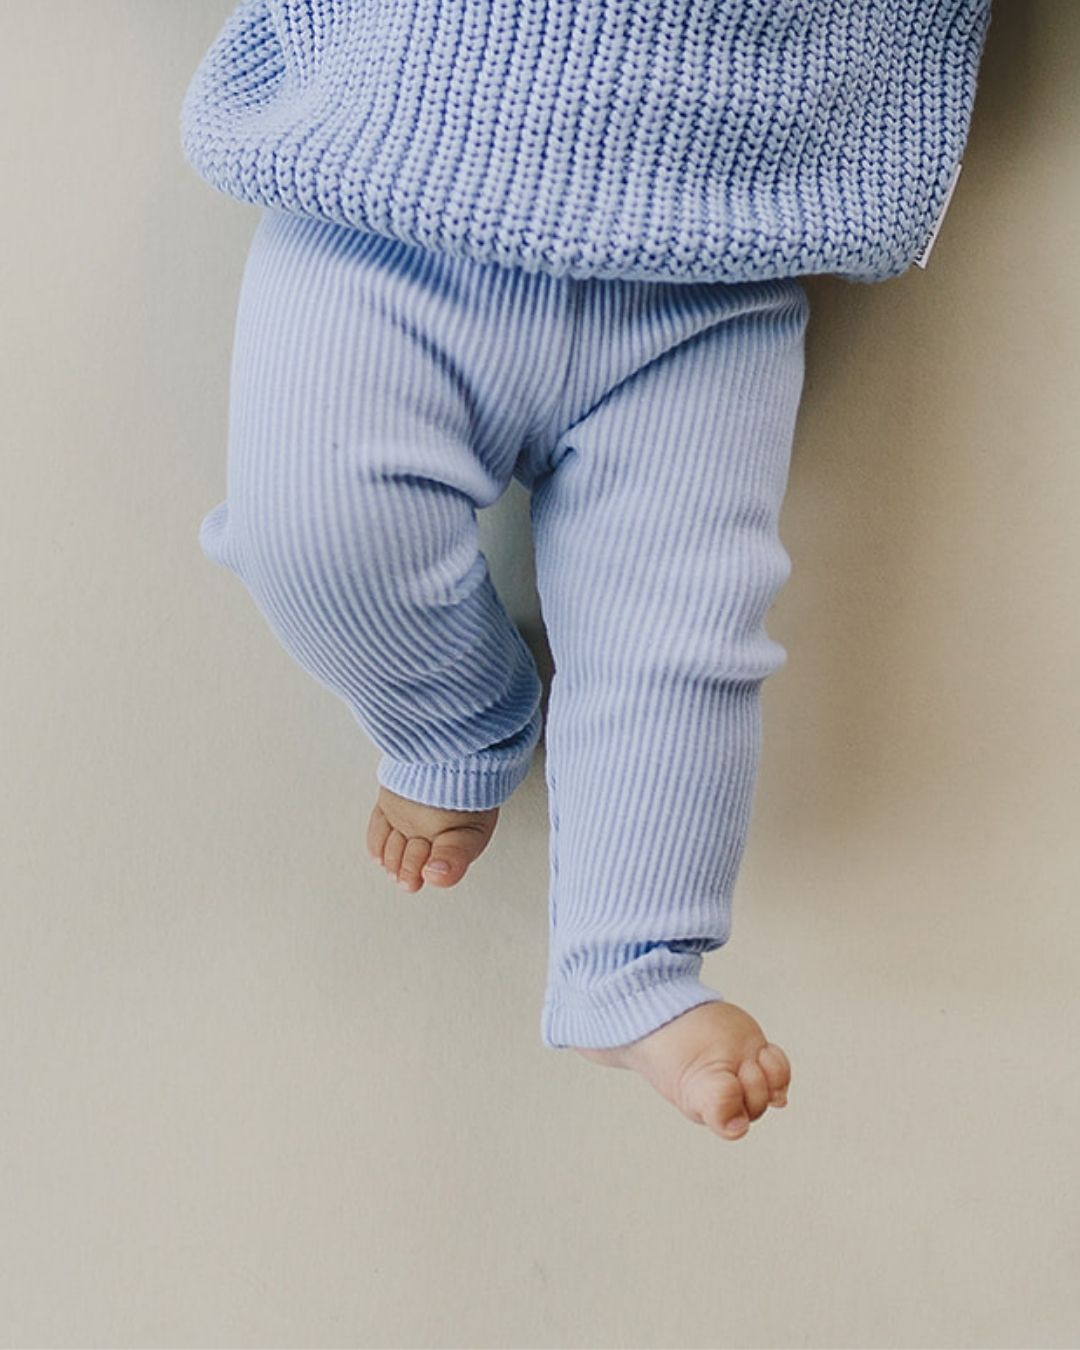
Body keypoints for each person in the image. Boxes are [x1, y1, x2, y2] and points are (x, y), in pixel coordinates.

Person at [180, 0, 993, 1140]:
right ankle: (456, 715)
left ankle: (634, 965)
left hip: (717, 251)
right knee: (315, 529)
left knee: (681, 633)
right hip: (393, 186)